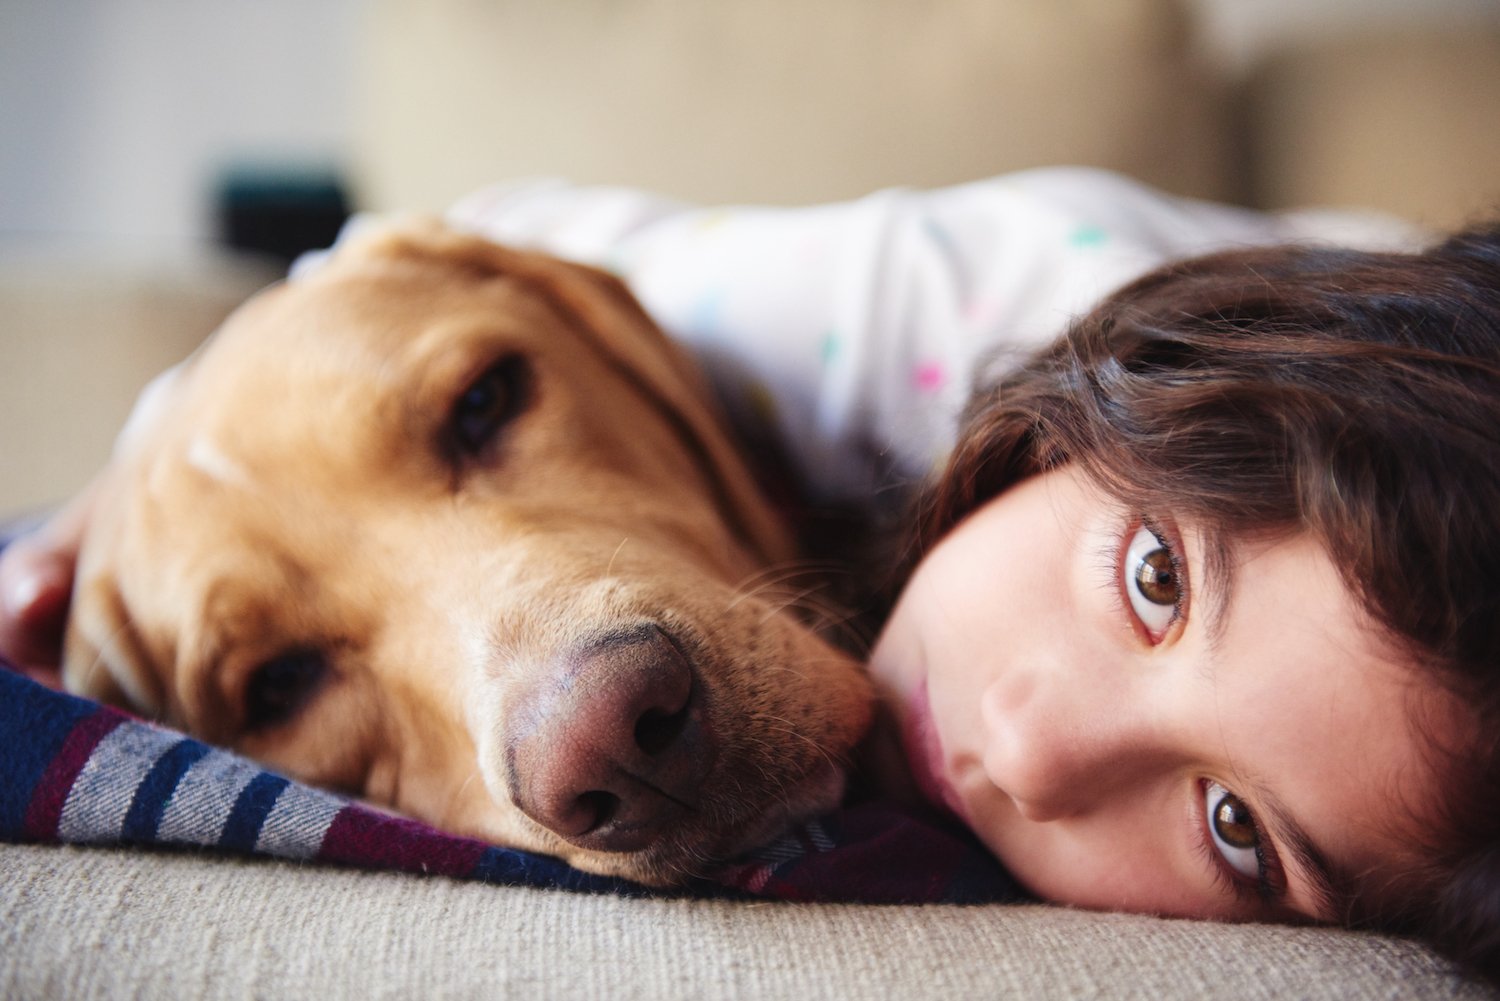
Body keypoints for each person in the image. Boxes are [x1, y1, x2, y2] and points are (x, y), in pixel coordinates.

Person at [2, 169, 1496, 980]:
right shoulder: (961, 322)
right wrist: (110, 509)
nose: (1028, 747)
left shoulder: (1067, 341)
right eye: (1157, 577)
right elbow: (457, 243)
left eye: (1239, 826)